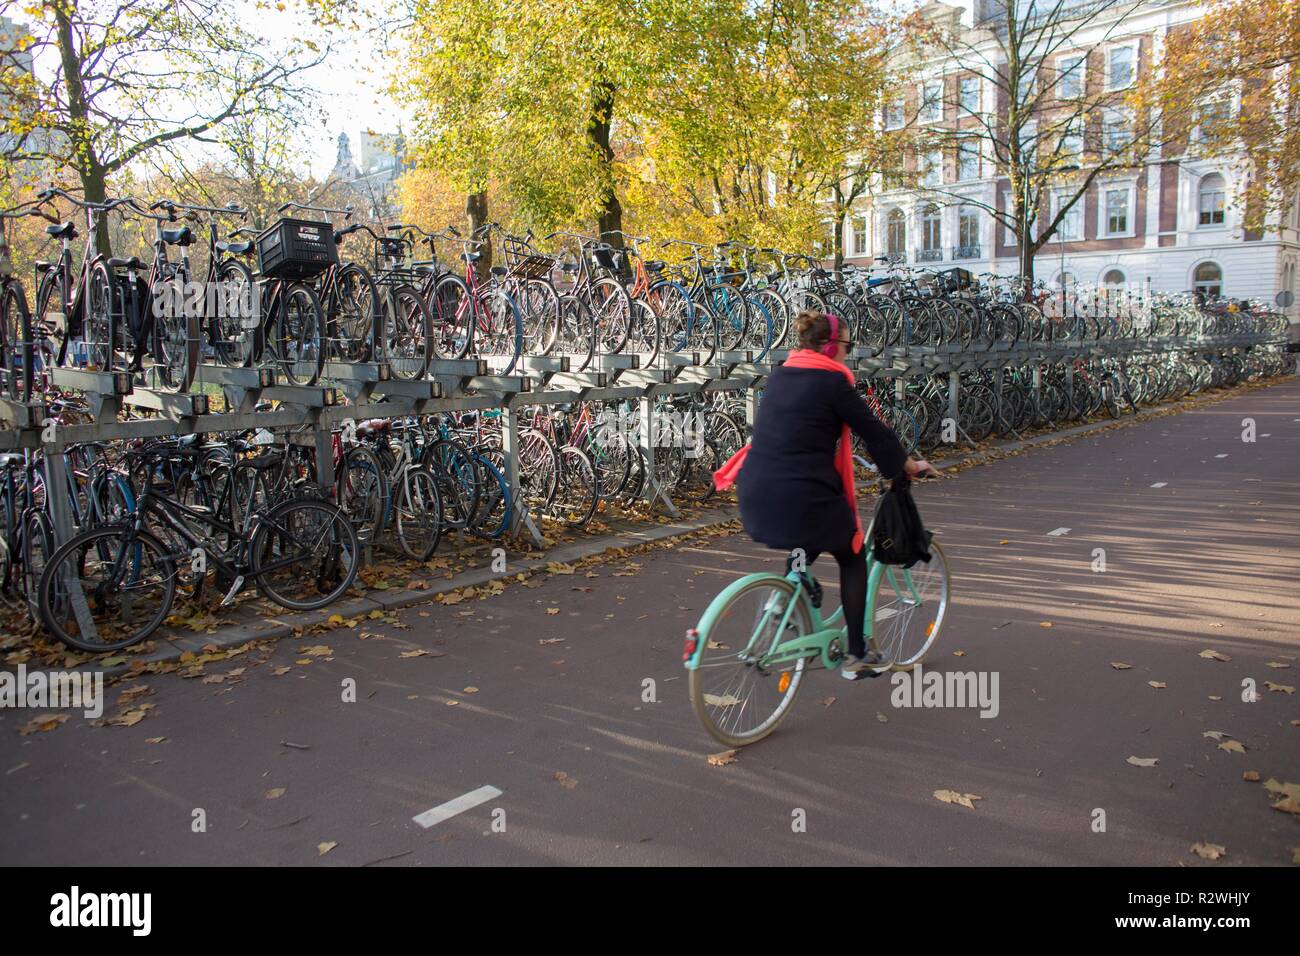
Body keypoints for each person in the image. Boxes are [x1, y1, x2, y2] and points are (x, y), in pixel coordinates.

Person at [714, 310, 934, 679]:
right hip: (802, 493)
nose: (848, 353)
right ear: (831, 347)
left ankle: (790, 593)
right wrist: (906, 466)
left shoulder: (781, 375)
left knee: (806, 537)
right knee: (850, 553)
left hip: (756, 491)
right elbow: (875, 432)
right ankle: (857, 656)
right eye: (847, 346)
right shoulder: (833, 383)